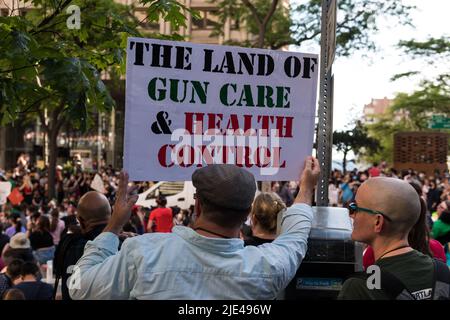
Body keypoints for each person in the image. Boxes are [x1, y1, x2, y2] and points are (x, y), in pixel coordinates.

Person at [69, 157, 320, 299]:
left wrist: (113, 226)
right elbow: (295, 236)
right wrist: (306, 187)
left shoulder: (143, 253)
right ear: (247, 214)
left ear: (197, 206)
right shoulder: (268, 266)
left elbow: (78, 288)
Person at [338, 177, 450, 300]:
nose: (351, 214)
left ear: (378, 222)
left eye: (355, 208)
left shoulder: (359, 287)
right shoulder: (443, 273)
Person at [54, 191, 112, 300]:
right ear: (111, 216)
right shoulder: (123, 244)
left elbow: (57, 271)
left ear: (80, 219)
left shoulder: (68, 244)